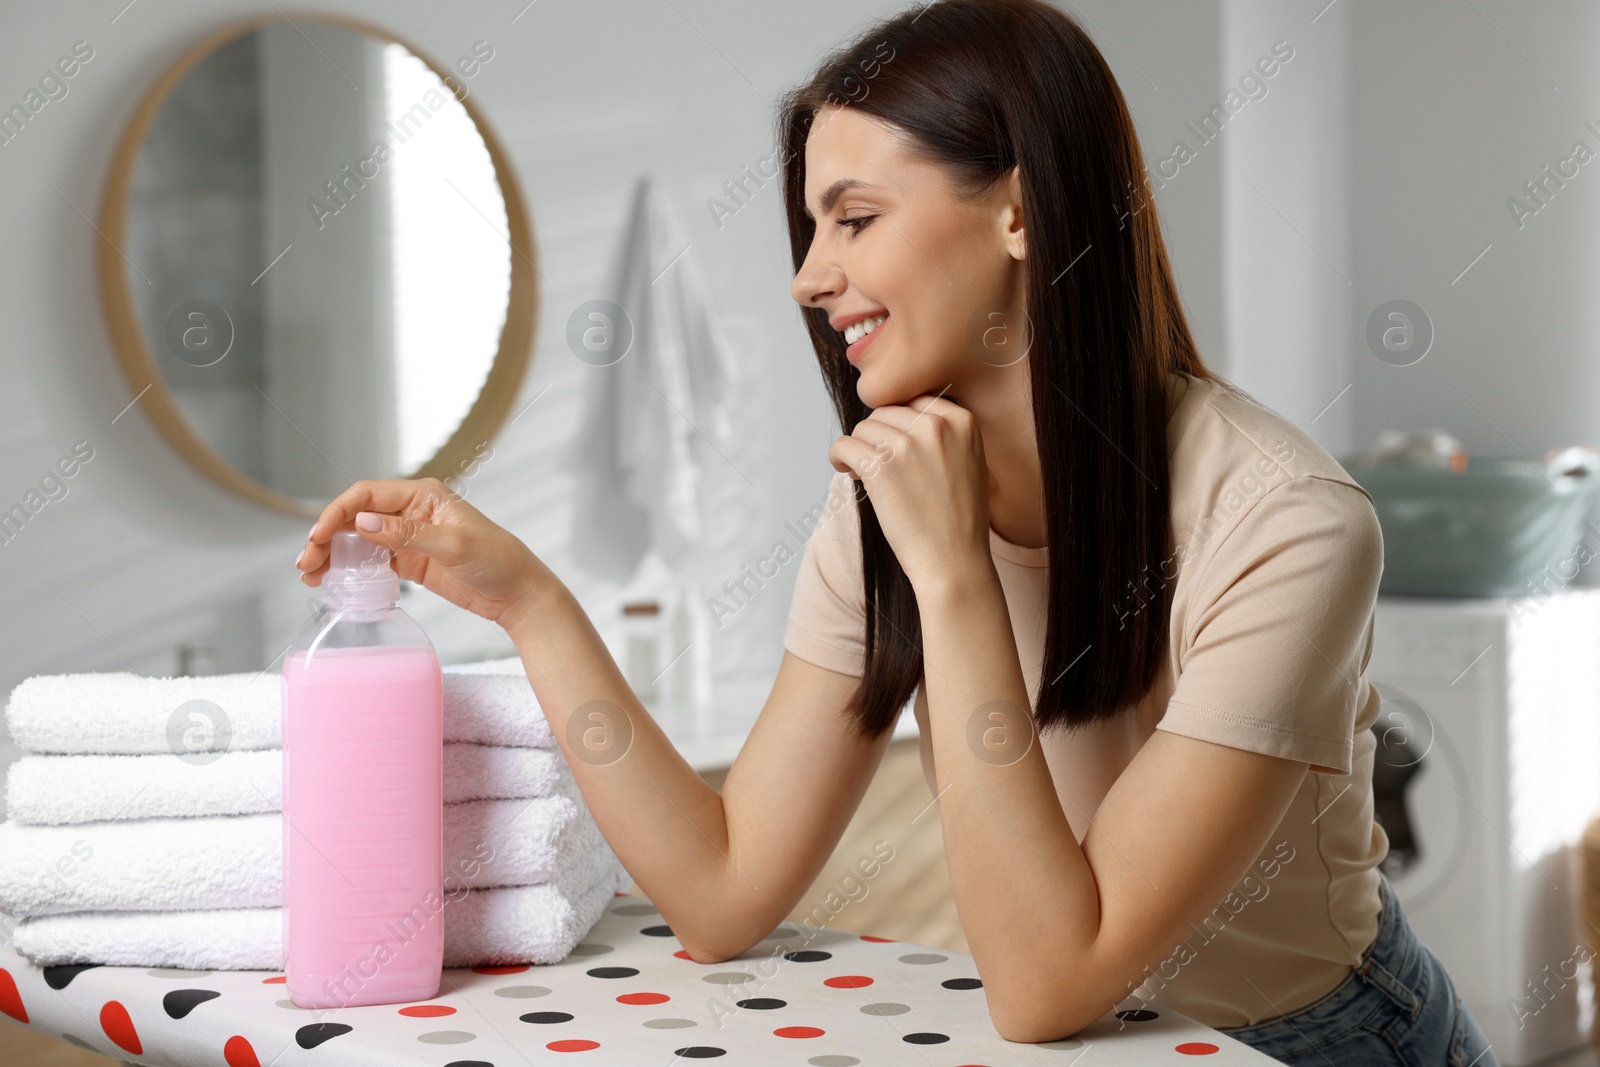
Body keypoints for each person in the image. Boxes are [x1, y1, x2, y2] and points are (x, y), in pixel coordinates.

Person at [295, 1, 1497, 1061]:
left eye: (854, 217)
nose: (808, 276)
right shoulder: (890, 489)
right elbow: (719, 891)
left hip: (1308, 1039)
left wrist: (953, 575)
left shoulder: (1286, 524)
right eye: (811, 228)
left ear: (1019, 213)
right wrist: (530, 602)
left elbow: (1046, 979)